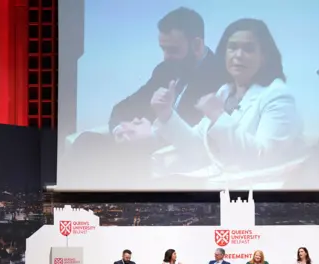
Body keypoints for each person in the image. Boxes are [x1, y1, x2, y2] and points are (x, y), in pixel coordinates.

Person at [151, 18, 303, 173]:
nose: (238, 55)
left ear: (264, 56)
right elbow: (196, 149)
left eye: (248, 49)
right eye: (232, 48)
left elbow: (264, 158)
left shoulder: (277, 95)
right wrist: (166, 114)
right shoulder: (224, 92)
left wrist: (218, 115)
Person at [108, 7, 224, 136]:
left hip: (176, 152)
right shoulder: (165, 69)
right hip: (145, 146)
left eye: (173, 50)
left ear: (196, 45)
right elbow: (125, 107)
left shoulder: (220, 76)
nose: (166, 56)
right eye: (163, 49)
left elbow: (197, 134)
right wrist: (121, 130)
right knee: (88, 140)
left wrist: (151, 134)